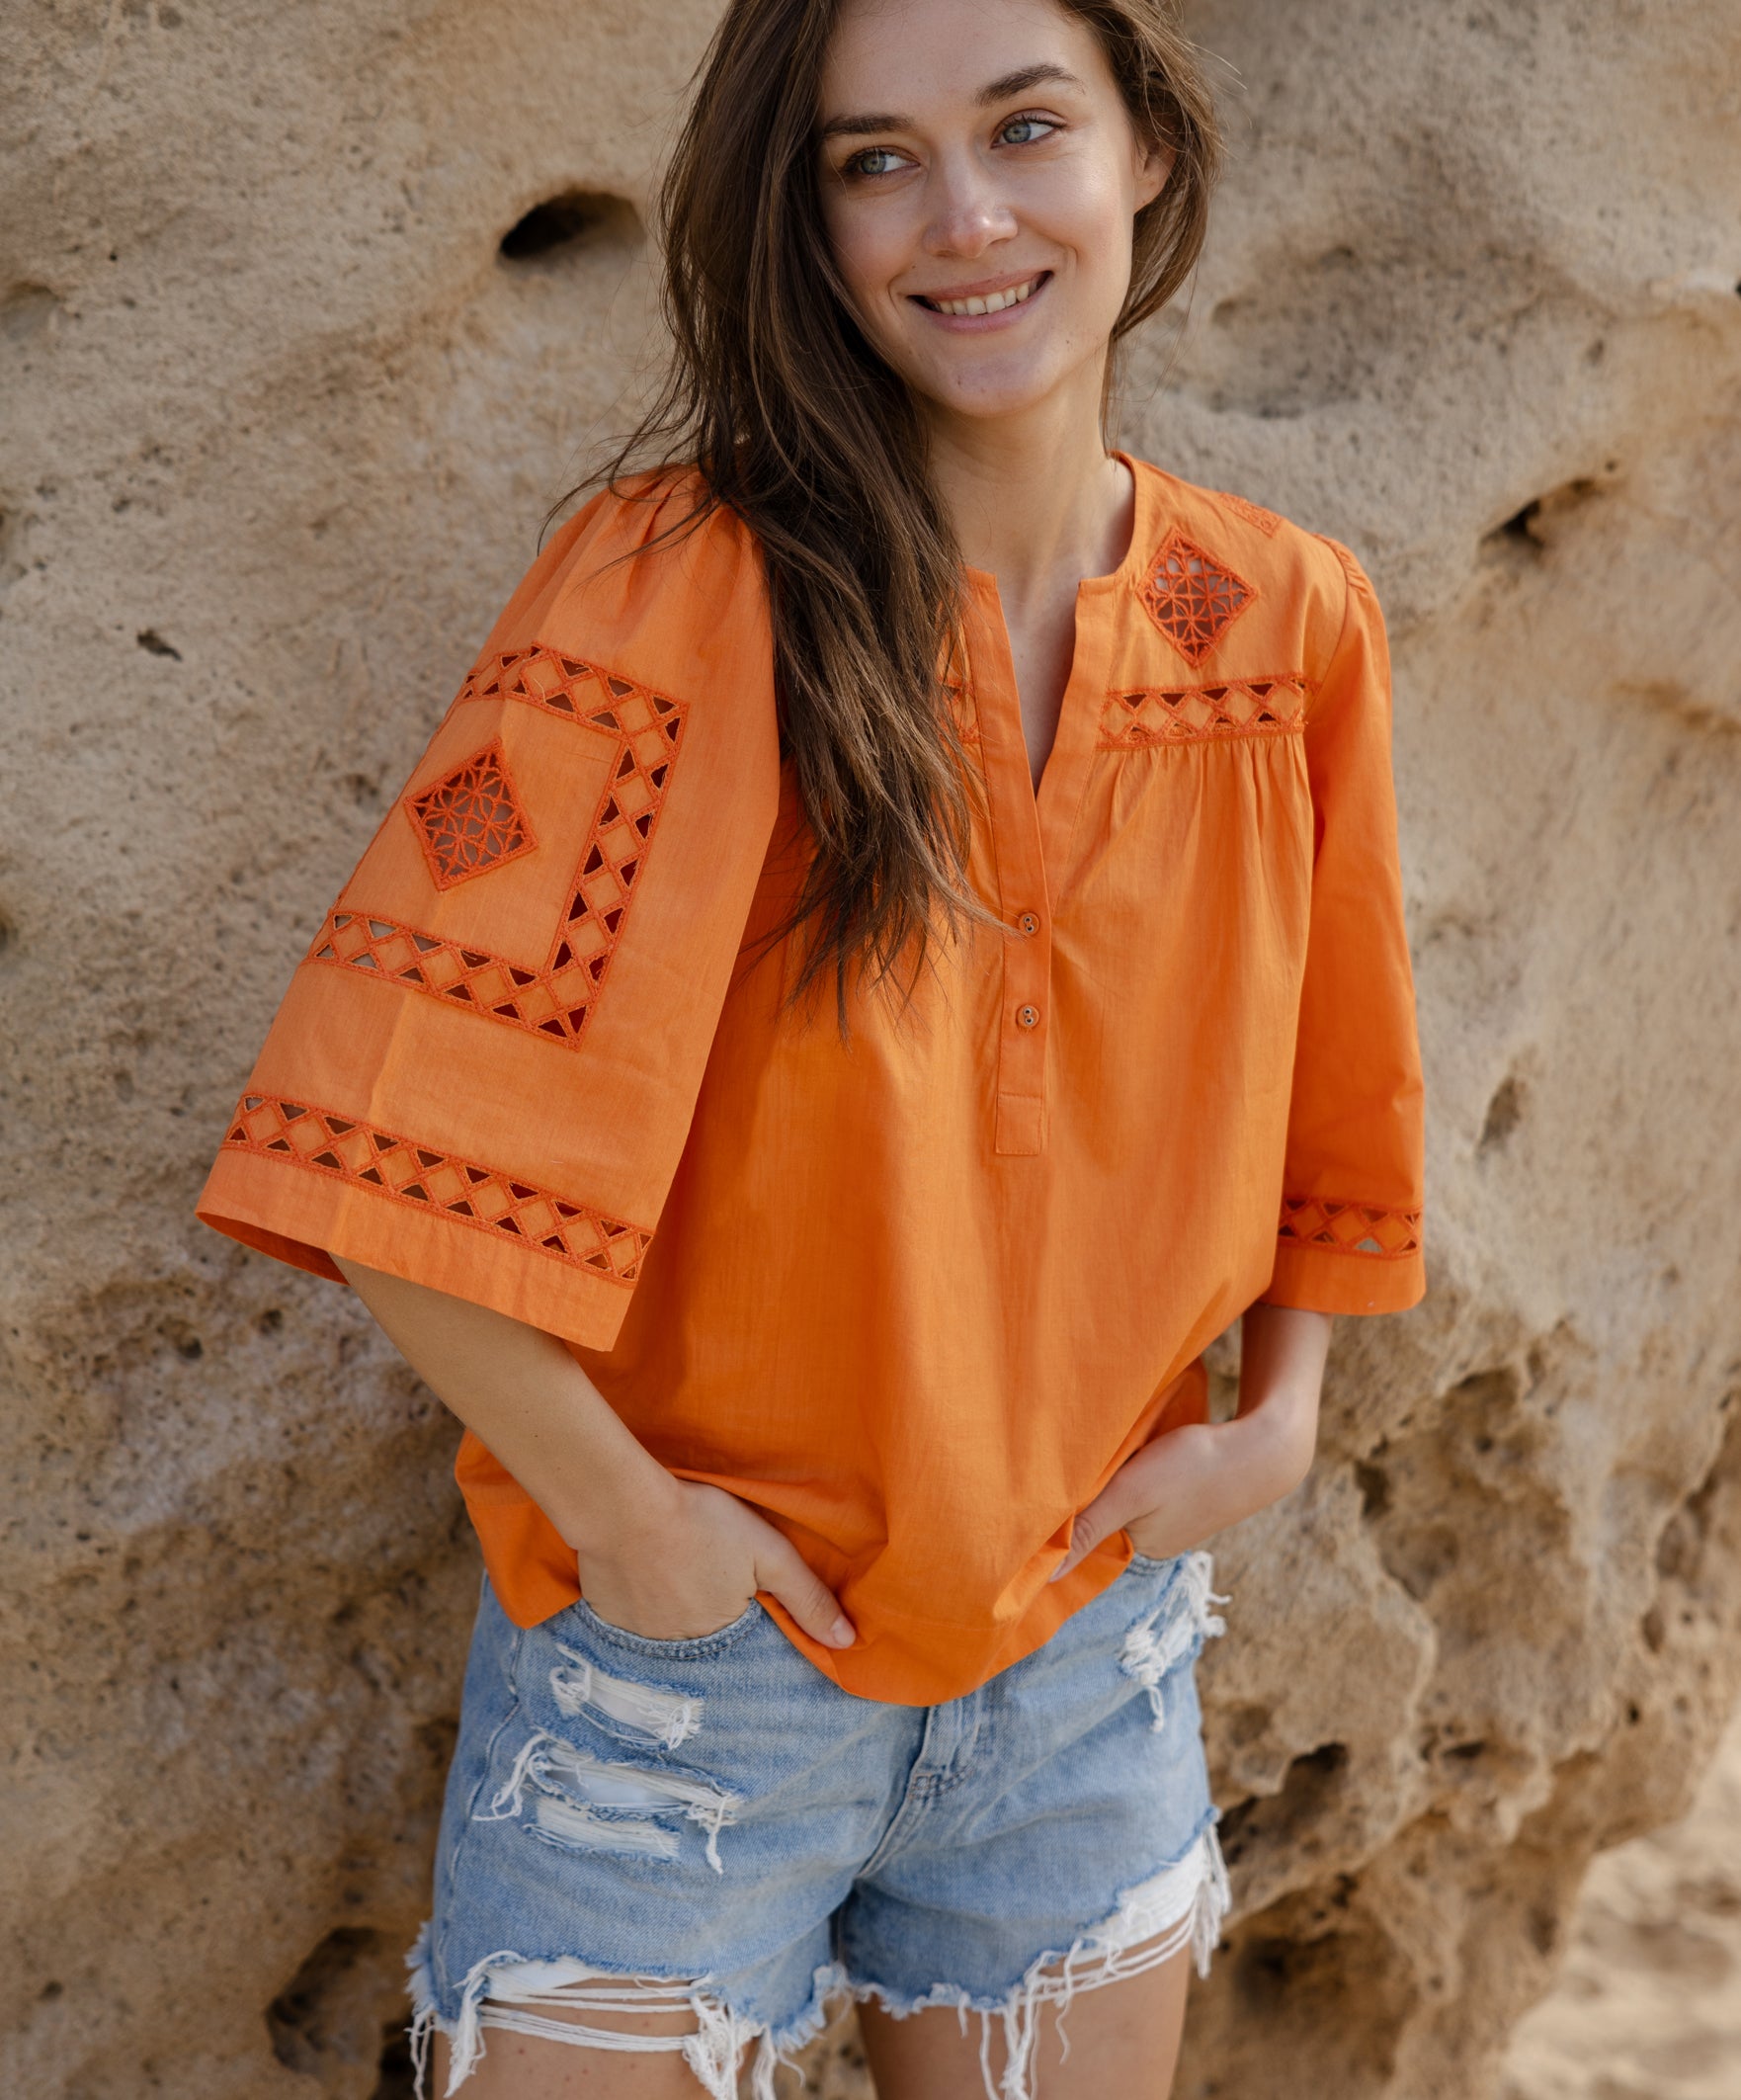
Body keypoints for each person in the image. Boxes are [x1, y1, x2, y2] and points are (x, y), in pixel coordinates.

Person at [197, 0, 1425, 2091]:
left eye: (1024, 128)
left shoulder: (1279, 619)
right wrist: (634, 1527)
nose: (960, 217)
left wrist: (1278, 1418)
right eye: (873, 160)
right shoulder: (681, 589)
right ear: (807, 216)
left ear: (1143, 149)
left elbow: (1346, 1092)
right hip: (687, 1688)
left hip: (1085, 1659)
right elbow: (385, 1143)